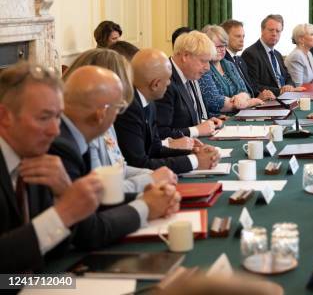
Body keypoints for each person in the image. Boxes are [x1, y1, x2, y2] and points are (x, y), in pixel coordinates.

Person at [49, 66, 181, 251]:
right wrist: (146, 206)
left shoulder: (75, 137)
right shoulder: (62, 146)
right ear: (101, 114)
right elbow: (87, 229)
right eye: (119, 108)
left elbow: (92, 203)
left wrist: (149, 197)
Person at [0, 63, 102, 272]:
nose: (55, 131)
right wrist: (63, 212)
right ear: (4, 117)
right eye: (44, 118)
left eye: (58, 117)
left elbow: (54, 252)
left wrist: (63, 196)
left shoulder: (40, 157)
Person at [63, 49, 175, 193]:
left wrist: (150, 175)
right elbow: (102, 191)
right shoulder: (84, 129)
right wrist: (150, 179)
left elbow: (119, 168)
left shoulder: (105, 121)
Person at [115, 49, 220, 175]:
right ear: (155, 84)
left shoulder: (148, 100)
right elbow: (139, 165)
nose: (170, 83)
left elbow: (155, 149)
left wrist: (194, 152)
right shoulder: (128, 109)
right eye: (168, 79)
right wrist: (194, 161)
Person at [155, 31, 223, 139]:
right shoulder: (165, 81)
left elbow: (184, 120)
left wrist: (205, 123)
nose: (208, 68)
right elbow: (161, 133)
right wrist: (196, 130)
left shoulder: (189, 75)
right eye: (203, 61)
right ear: (185, 56)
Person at [199, 26, 262, 115]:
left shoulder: (229, 64)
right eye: (217, 46)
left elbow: (245, 91)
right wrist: (248, 103)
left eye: (224, 45)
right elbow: (215, 102)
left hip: (241, 114)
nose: (222, 49)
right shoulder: (203, 68)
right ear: (206, 47)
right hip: (218, 120)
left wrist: (241, 97)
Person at [242, 14, 299, 96]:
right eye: (271, 30)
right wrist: (281, 91)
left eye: (278, 31)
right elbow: (253, 85)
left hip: (286, 97)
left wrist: (289, 86)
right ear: (262, 30)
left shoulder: (277, 54)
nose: (274, 34)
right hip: (269, 101)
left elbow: (287, 77)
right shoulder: (251, 54)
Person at [221, 19, 274, 100]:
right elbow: (233, 93)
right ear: (225, 37)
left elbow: (250, 87)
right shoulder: (222, 61)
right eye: (238, 36)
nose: (242, 40)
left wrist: (263, 94)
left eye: (243, 36)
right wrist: (257, 98)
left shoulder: (240, 60)